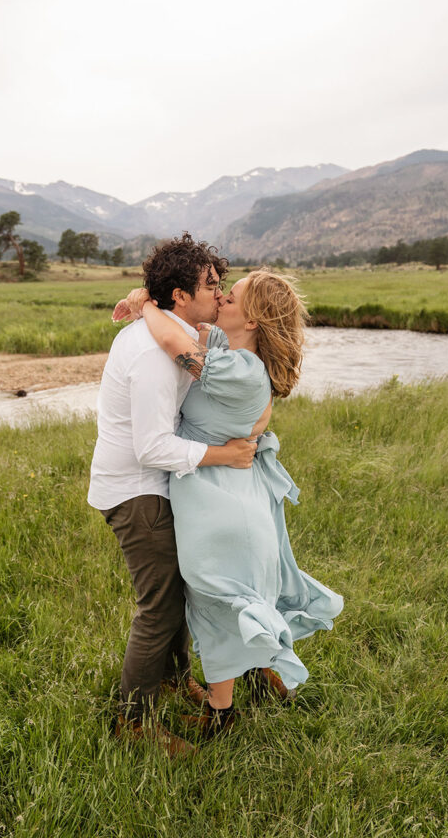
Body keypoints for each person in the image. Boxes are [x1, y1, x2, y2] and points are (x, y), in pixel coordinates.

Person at [120, 269, 344, 733]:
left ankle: (221, 715)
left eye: (232, 295)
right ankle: (258, 677)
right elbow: (197, 335)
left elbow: (172, 344)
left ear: (255, 319)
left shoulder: (241, 370)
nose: (221, 296)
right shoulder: (234, 355)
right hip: (219, 495)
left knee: (217, 601)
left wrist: (145, 304)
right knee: (221, 599)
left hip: (217, 504)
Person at [87, 233, 257, 757]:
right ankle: (134, 722)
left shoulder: (170, 332)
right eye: (211, 285)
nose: (220, 293)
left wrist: (144, 299)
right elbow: (151, 446)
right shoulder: (154, 354)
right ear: (180, 295)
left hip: (153, 486)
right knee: (159, 608)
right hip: (136, 491)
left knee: (178, 594)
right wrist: (222, 457)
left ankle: (172, 680)